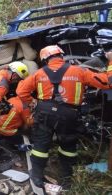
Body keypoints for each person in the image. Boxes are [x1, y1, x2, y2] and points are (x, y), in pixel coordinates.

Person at [16, 45, 112, 188]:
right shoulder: (79, 71)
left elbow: (21, 91)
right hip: (69, 114)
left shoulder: (39, 73)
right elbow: (107, 82)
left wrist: (32, 103)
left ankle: (36, 177)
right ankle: (66, 179)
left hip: (45, 112)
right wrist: (110, 62)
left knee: (40, 146)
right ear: (61, 55)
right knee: (67, 147)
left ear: (45, 59)